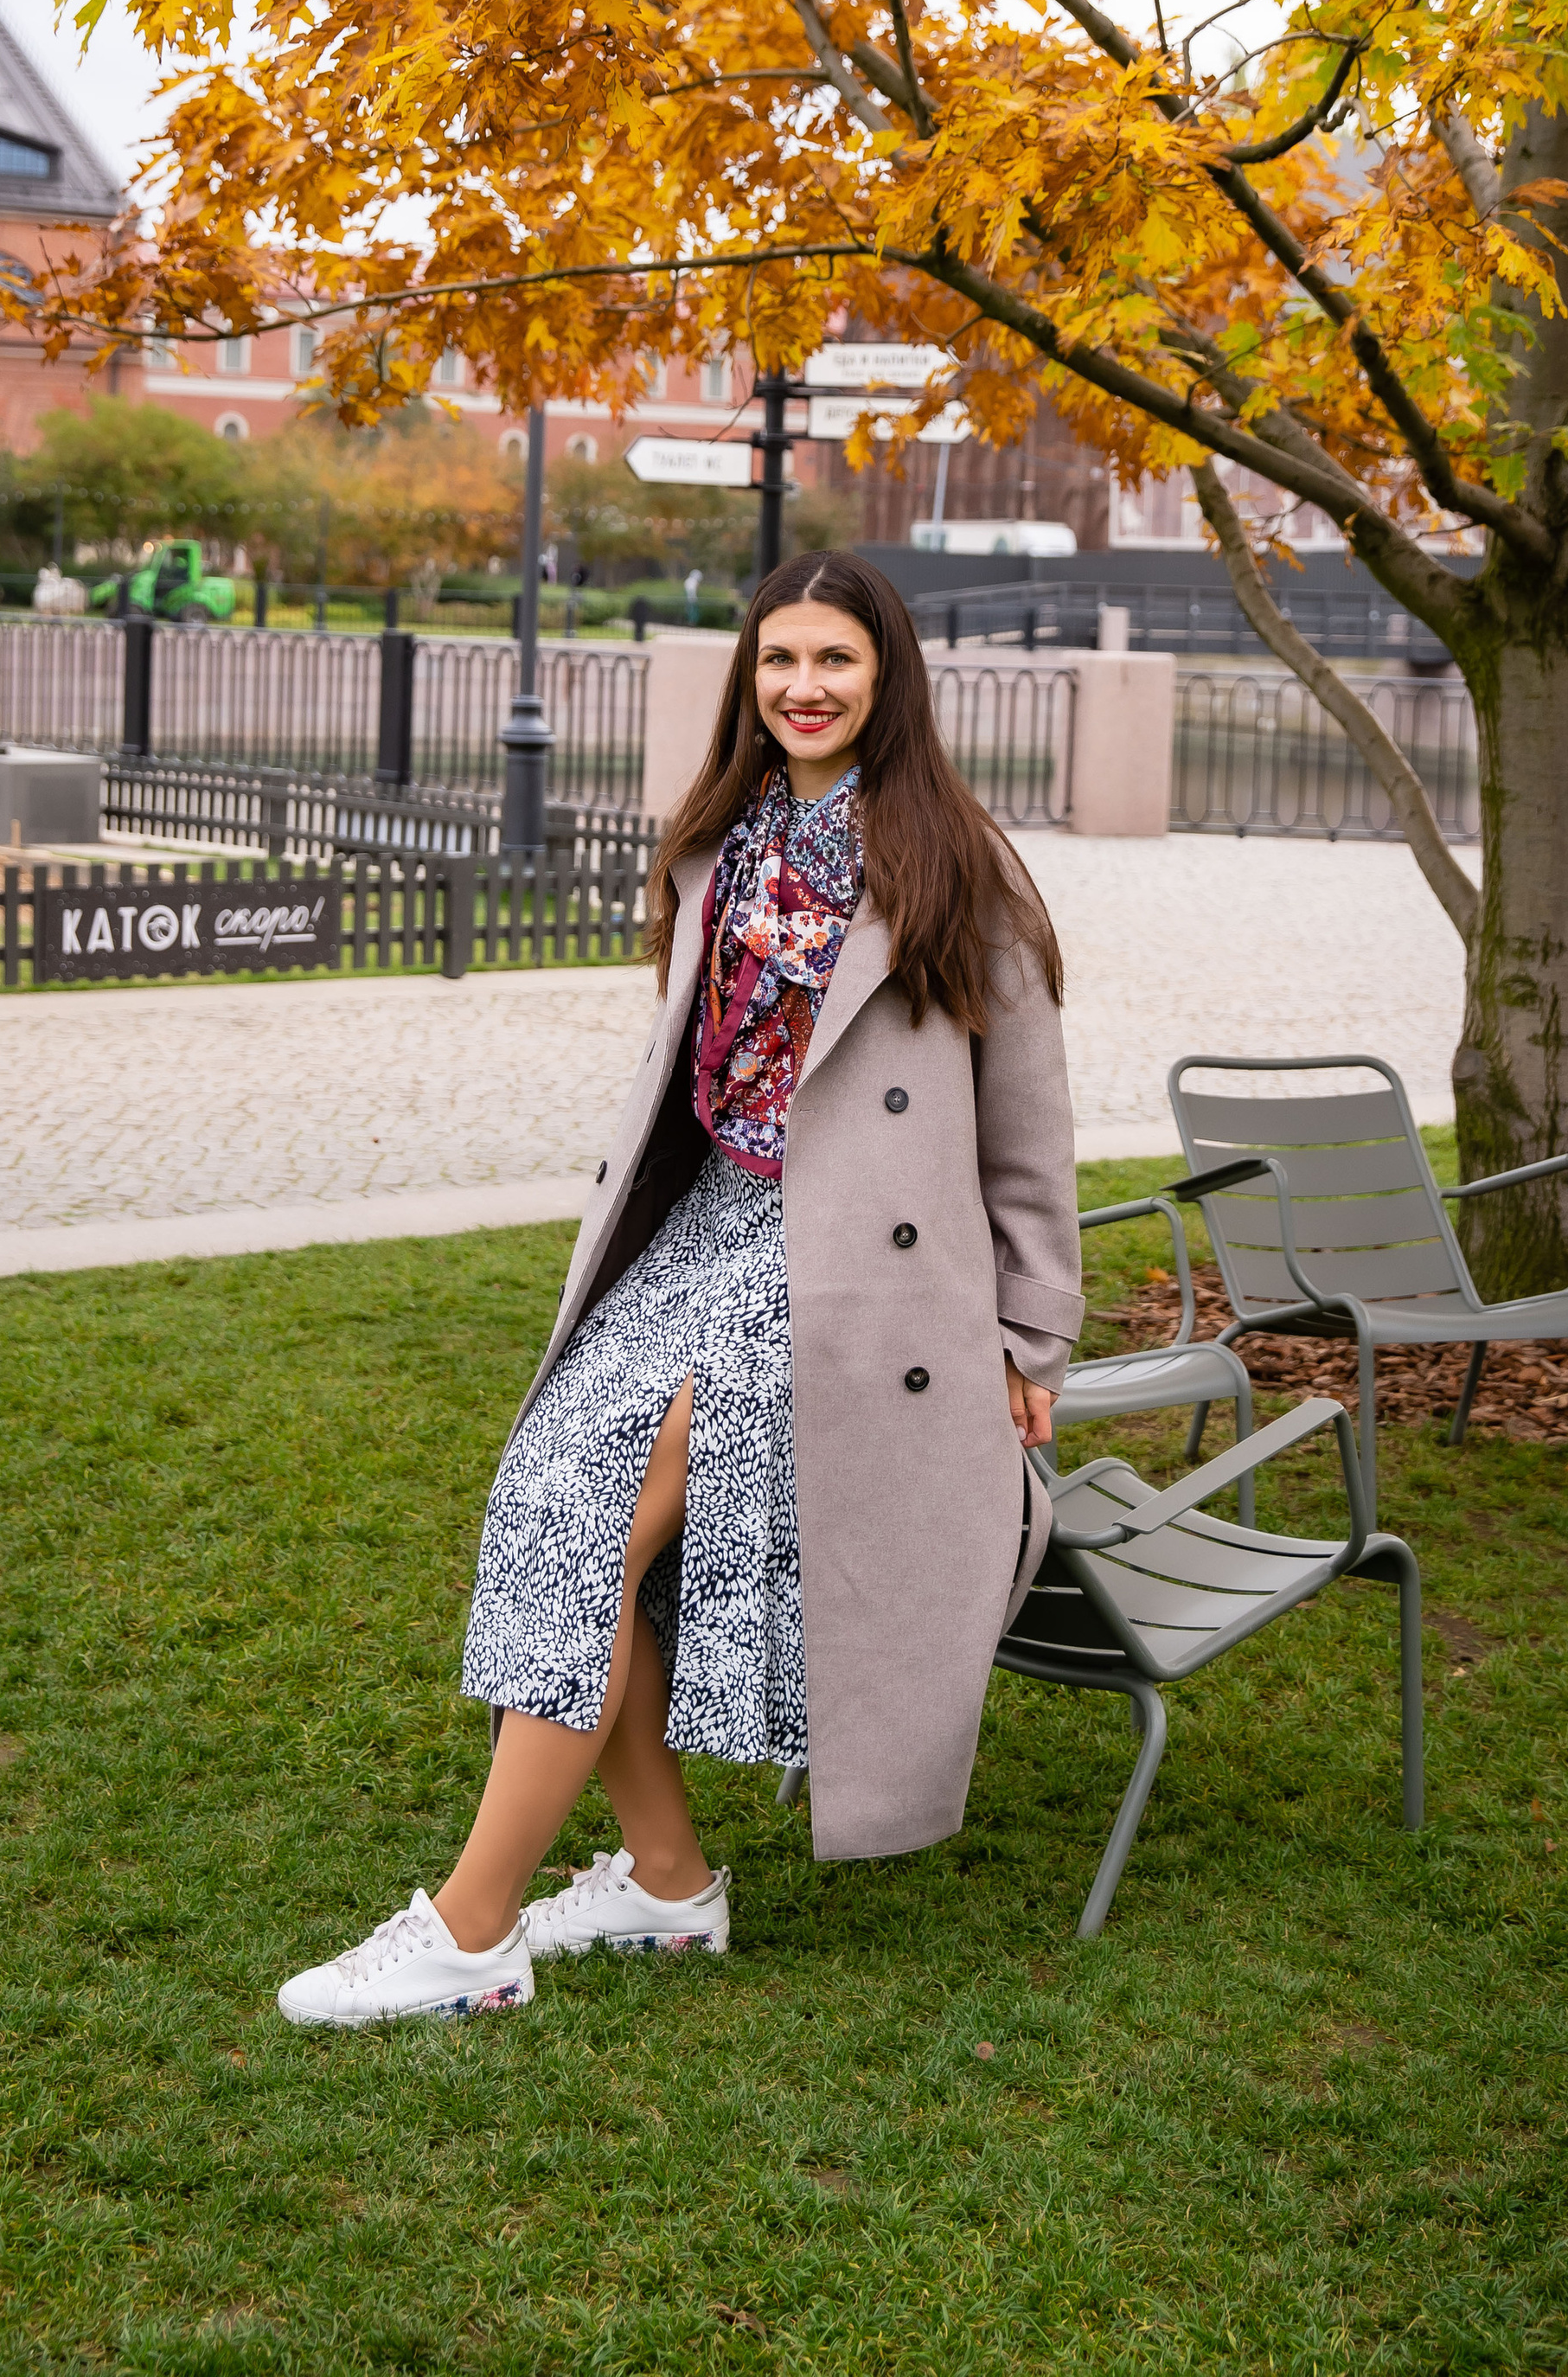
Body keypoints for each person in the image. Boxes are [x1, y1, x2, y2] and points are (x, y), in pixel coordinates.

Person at [278, 549, 1083, 2024]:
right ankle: (664, 1881)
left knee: (602, 1512)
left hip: (846, 1272)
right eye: (779, 660)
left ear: (887, 676)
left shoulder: (963, 869)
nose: (805, 687)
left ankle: (470, 1932)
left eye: (835, 660)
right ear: (750, 679)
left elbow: (1030, 1137)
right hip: (708, 1224)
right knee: (551, 1495)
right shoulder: (723, 844)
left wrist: (1033, 1332)